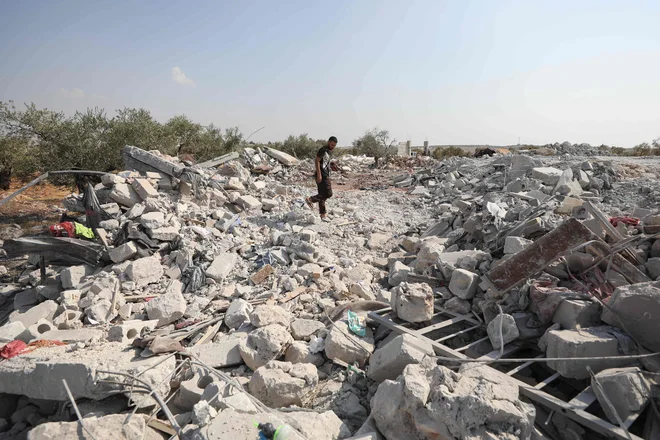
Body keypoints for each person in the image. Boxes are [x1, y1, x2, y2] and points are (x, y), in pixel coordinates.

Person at [306, 136, 337, 220]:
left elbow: (324, 163)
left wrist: (332, 165)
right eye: (331, 144)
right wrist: (319, 174)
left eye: (334, 145)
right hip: (322, 175)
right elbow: (317, 161)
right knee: (328, 193)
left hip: (325, 174)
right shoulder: (323, 150)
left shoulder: (328, 152)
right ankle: (310, 199)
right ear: (328, 142)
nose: (332, 146)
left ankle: (323, 215)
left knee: (322, 194)